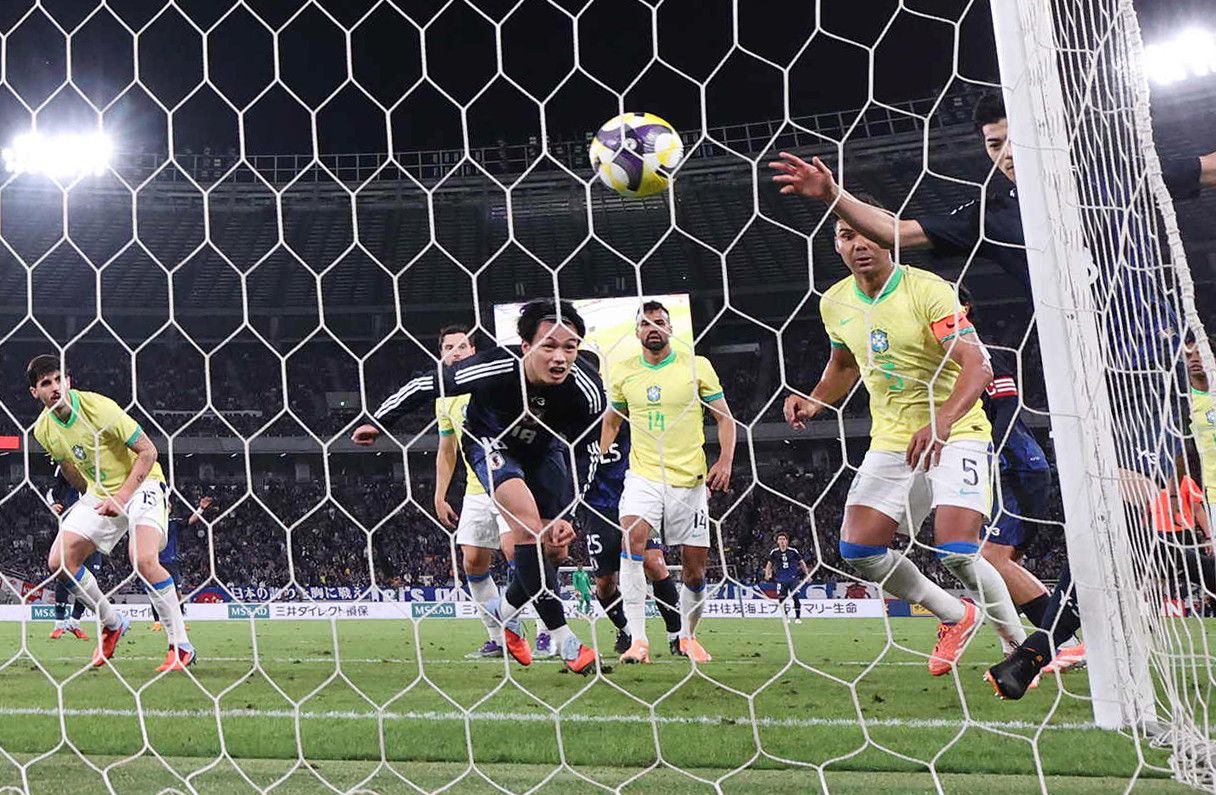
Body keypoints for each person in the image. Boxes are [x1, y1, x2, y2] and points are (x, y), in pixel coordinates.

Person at [782, 196, 1026, 676]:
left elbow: (978, 364)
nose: (860, 244)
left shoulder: (928, 290)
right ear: (835, 246)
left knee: (957, 549)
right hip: (892, 440)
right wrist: (814, 400)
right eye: (846, 235)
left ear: (888, 233)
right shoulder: (835, 301)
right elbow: (844, 364)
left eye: (867, 232)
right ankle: (955, 616)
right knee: (859, 550)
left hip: (957, 431)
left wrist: (943, 421)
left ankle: (1021, 650)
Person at [352, 298, 600, 674]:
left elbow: (587, 451)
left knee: (551, 549)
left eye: (570, 347)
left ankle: (503, 614)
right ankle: (565, 639)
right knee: (529, 529)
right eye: (549, 345)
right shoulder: (495, 367)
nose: (560, 357)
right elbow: (427, 384)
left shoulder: (587, 389)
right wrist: (378, 420)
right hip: (490, 442)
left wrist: (569, 512)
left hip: (545, 449)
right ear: (527, 347)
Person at [29, 355, 195, 672]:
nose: (53, 388)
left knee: (143, 559)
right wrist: (90, 502)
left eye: (57, 379)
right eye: (45, 383)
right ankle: (112, 623)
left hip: (143, 482)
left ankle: (181, 647)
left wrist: (121, 497)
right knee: (60, 560)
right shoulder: (44, 430)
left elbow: (148, 451)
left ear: (68, 381)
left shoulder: (99, 408)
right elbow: (70, 468)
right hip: (100, 493)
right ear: (35, 392)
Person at [601, 300, 737, 664]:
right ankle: (638, 641)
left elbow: (725, 419)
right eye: (646, 324)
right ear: (637, 332)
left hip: (688, 481)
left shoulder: (696, 367)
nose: (653, 328)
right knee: (633, 540)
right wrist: (599, 456)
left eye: (659, 322)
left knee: (694, 569)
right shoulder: (624, 372)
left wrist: (724, 460)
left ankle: (688, 637)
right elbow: (613, 421)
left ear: (670, 328)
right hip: (643, 474)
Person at [959, 292, 1085, 666]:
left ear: (965, 308)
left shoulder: (983, 353)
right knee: (995, 563)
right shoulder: (951, 357)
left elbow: (1009, 406)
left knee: (990, 559)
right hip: (1007, 469)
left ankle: (1055, 646)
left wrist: (991, 448)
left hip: (1016, 467)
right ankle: (1050, 643)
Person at [428, 324, 520, 659]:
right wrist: (440, 495)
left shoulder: (491, 384)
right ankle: (498, 637)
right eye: (448, 347)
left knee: (519, 556)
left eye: (462, 347)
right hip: (476, 489)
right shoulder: (444, 398)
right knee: (472, 563)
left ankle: (542, 632)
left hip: (510, 482)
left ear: (473, 352)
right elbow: (447, 450)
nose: (454, 352)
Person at [577, 423, 683, 654]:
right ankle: (626, 631)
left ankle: (677, 636)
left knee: (654, 562)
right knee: (605, 583)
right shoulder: (579, 417)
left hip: (635, 497)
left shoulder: (631, 418)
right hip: (596, 508)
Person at [45, 468, 100, 640]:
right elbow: (52, 490)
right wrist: (53, 504)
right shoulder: (68, 463)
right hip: (72, 528)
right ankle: (59, 624)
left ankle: (74, 622)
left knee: (91, 576)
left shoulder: (99, 463)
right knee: (64, 573)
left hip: (94, 530)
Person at [150, 495, 212, 632]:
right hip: (155, 561)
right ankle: (157, 622)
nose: (167, 508)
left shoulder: (173, 523)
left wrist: (201, 508)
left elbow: (190, 520)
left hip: (171, 561)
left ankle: (180, 621)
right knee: (156, 592)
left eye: (168, 506)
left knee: (177, 593)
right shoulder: (152, 522)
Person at [764, 532, 810, 623]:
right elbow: (769, 564)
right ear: (777, 541)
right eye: (780, 539)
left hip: (793, 579)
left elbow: (802, 562)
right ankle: (786, 617)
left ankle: (797, 618)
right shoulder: (774, 552)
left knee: (795, 597)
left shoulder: (793, 551)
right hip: (780, 579)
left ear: (787, 541)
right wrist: (767, 574)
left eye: (784, 539)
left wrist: (807, 574)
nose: (782, 541)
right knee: (782, 599)